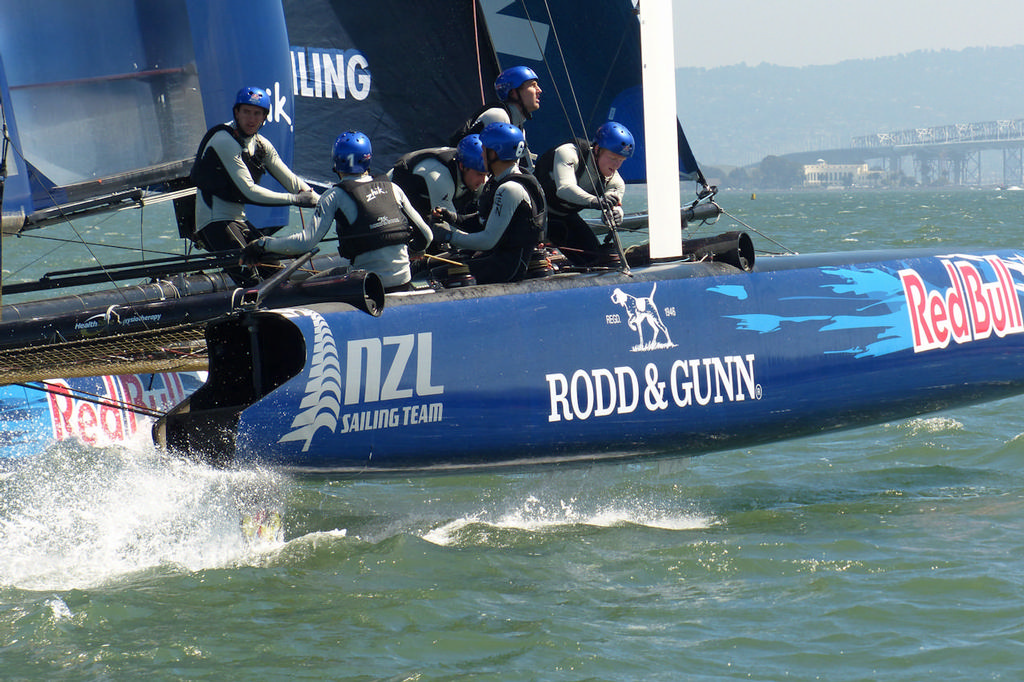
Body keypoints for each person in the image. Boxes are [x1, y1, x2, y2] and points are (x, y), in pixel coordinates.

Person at [245, 131, 432, 293]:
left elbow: (304, 243)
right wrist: (415, 250)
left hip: (367, 286)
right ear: (367, 159)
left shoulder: (333, 196)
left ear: (336, 160)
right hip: (403, 282)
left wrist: (263, 244)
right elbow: (427, 235)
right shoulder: (392, 188)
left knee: (302, 287)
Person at [190, 86, 319, 284]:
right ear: (236, 113)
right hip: (215, 224)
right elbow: (249, 191)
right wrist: (295, 200)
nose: (251, 119)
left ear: (264, 117)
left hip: (238, 221)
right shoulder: (224, 140)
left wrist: (327, 203)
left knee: (279, 277)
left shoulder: (260, 144)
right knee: (253, 282)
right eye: (246, 112)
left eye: (257, 113)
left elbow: (292, 181)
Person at [431, 123, 546, 285]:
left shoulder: (509, 188)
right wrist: (453, 218)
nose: (481, 154)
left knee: (430, 275)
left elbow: (487, 241)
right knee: (430, 265)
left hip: (506, 268)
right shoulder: (511, 180)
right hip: (498, 260)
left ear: (495, 153)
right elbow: (485, 220)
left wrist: (449, 236)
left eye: (484, 149)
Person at [534, 122, 633, 266]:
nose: (616, 165)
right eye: (613, 158)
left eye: (621, 161)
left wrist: (617, 213)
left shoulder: (616, 181)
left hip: (564, 218)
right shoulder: (568, 152)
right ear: (597, 149)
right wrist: (595, 201)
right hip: (533, 216)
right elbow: (564, 188)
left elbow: (614, 204)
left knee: (596, 260)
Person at [449, 66, 542, 171]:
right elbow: (477, 164)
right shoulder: (498, 116)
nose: (539, 90)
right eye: (533, 86)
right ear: (513, 92)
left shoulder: (519, 128)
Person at [387, 134, 488, 228]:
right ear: (462, 166)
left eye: (487, 174)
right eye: (479, 174)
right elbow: (449, 227)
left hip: (422, 200)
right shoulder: (440, 178)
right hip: (390, 195)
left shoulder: (475, 173)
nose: (484, 180)